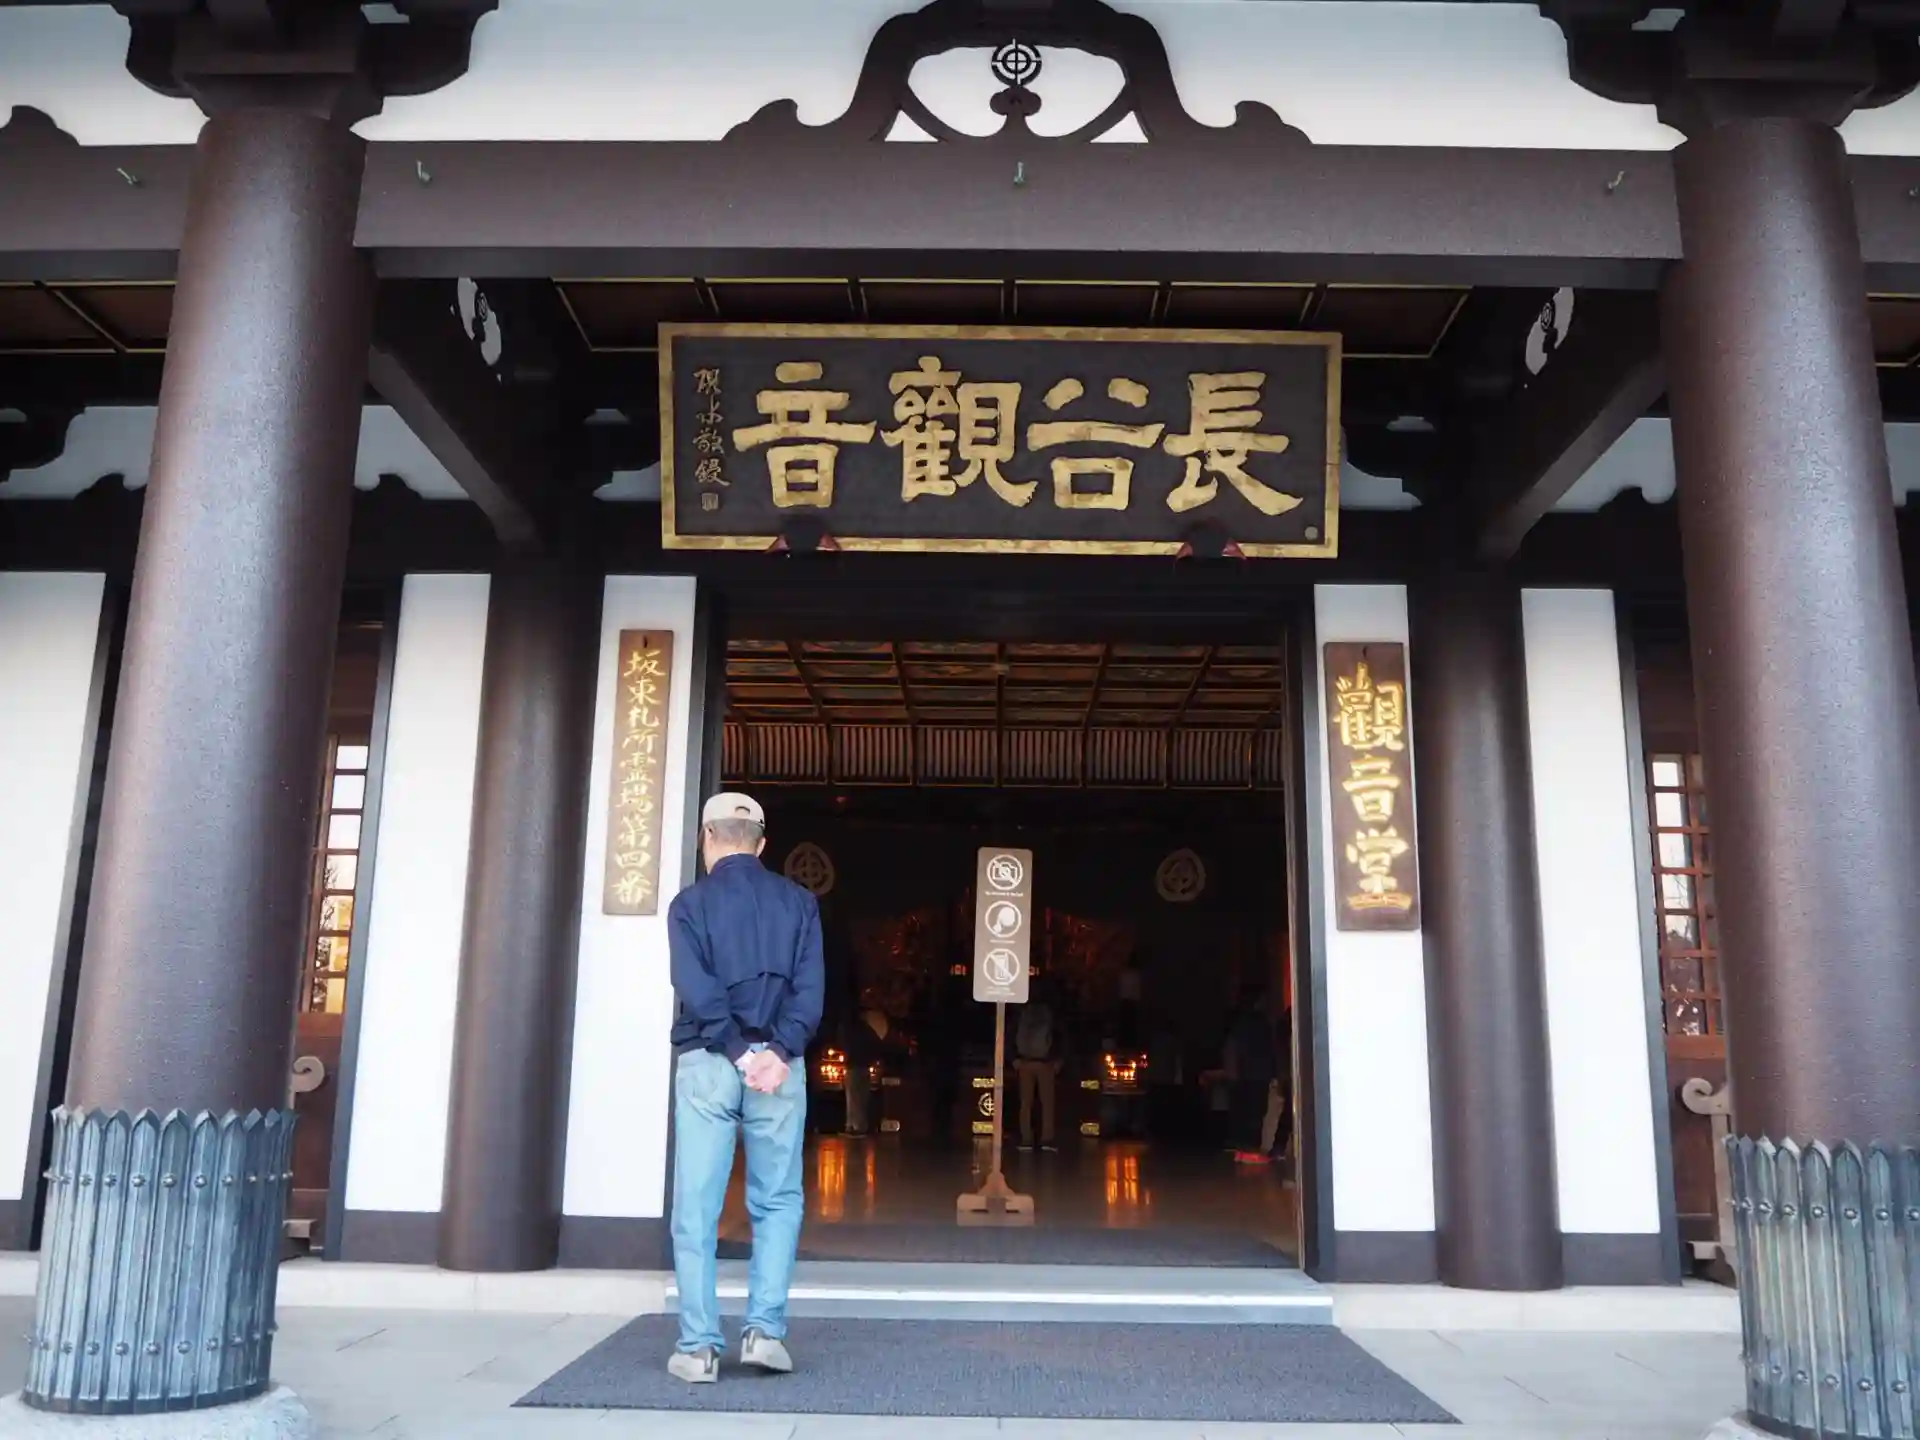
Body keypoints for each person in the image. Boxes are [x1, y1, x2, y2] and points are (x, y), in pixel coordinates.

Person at [666, 792, 824, 1385]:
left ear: (707, 838)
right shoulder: (800, 903)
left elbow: (694, 985)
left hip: (711, 1062)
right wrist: (777, 1051)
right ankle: (764, 1334)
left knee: (697, 1206)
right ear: (762, 844)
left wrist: (737, 1050)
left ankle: (699, 1348)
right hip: (779, 1070)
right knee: (777, 1199)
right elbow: (810, 989)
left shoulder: (689, 905)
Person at [1224, 984, 1279, 1165]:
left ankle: (1245, 1148)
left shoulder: (1243, 1023)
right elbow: (1269, 1050)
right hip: (1257, 1073)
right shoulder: (1259, 1024)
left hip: (1248, 1073)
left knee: (1247, 1112)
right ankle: (1251, 1148)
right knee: (1256, 1112)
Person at [1013, 990, 1059, 1152]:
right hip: (1045, 1062)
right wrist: (1058, 1059)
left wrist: (1014, 1058)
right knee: (1047, 1103)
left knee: (1025, 1103)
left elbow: (1011, 1034)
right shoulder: (1050, 1013)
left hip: (1025, 1061)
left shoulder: (1022, 1014)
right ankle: (1047, 1139)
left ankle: (1026, 1139)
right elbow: (1059, 1035)